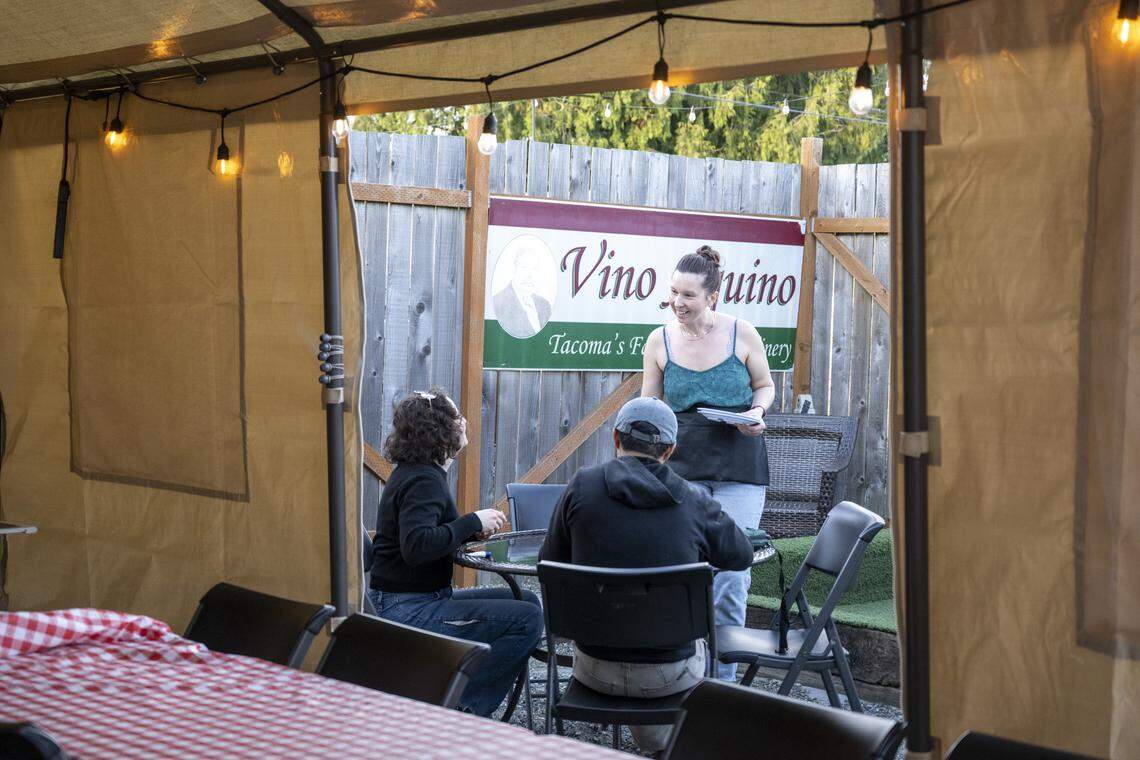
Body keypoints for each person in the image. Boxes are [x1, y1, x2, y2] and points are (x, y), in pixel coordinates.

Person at [539, 397, 753, 755]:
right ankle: (666, 746)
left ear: (615, 437)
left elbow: (550, 564)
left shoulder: (580, 486)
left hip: (592, 668)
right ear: (670, 450)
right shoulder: (695, 500)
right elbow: (741, 554)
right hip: (670, 677)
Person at [640, 245, 776, 682]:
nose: (678, 303)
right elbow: (649, 402)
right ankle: (683, 673)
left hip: (740, 465)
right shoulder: (658, 340)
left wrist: (756, 413)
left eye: (689, 295)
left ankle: (723, 685)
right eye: (674, 293)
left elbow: (765, 386)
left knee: (732, 573)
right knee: (683, 568)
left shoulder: (743, 333)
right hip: (681, 469)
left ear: (713, 296)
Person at [368, 387, 543, 717]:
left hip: (410, 600)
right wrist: (470, 522)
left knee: (528, 603)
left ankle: (454, 697)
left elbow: (431, 535)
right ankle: (463, 712)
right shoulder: (424, 480)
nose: (463, 421)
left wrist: (469, 529)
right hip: (407, 609)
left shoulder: (417, 474)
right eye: (456, 415)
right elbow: (417, 546)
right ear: (438, 429)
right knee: (527, 620)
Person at [493, 246, 552, 338]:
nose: (530, 274)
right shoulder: (498, 303)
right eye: (524, 267)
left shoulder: (544, 305)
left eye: (534, 268)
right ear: (514, 269)